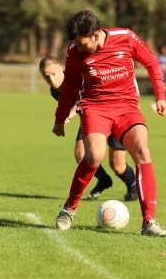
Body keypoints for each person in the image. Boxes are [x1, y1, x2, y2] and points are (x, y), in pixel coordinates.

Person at [52, 10, 166, 237]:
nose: (79, 47)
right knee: (94, 156)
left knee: (143, 151)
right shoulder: (74, 52)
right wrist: (59, 119)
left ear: (96, 35)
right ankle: (69, 208)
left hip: (127, 107)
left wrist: (160, 96)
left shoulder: (125, 37)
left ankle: (149, 222)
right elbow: (69, 88)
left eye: (83, 42)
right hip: (96, 108)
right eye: (75, 42)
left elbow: (153, 63)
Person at [39, 56, 138, 202]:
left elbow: (82, 98)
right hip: (91, 117)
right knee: (81, 154)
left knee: (117, 165)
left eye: (53, 74)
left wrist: (70, 114)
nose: (51, 80)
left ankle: (133, 187)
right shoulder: (55, 92)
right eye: (46, 77)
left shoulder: (77, 77)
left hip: (112, 111)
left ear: (61, 68)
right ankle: (104, 180)